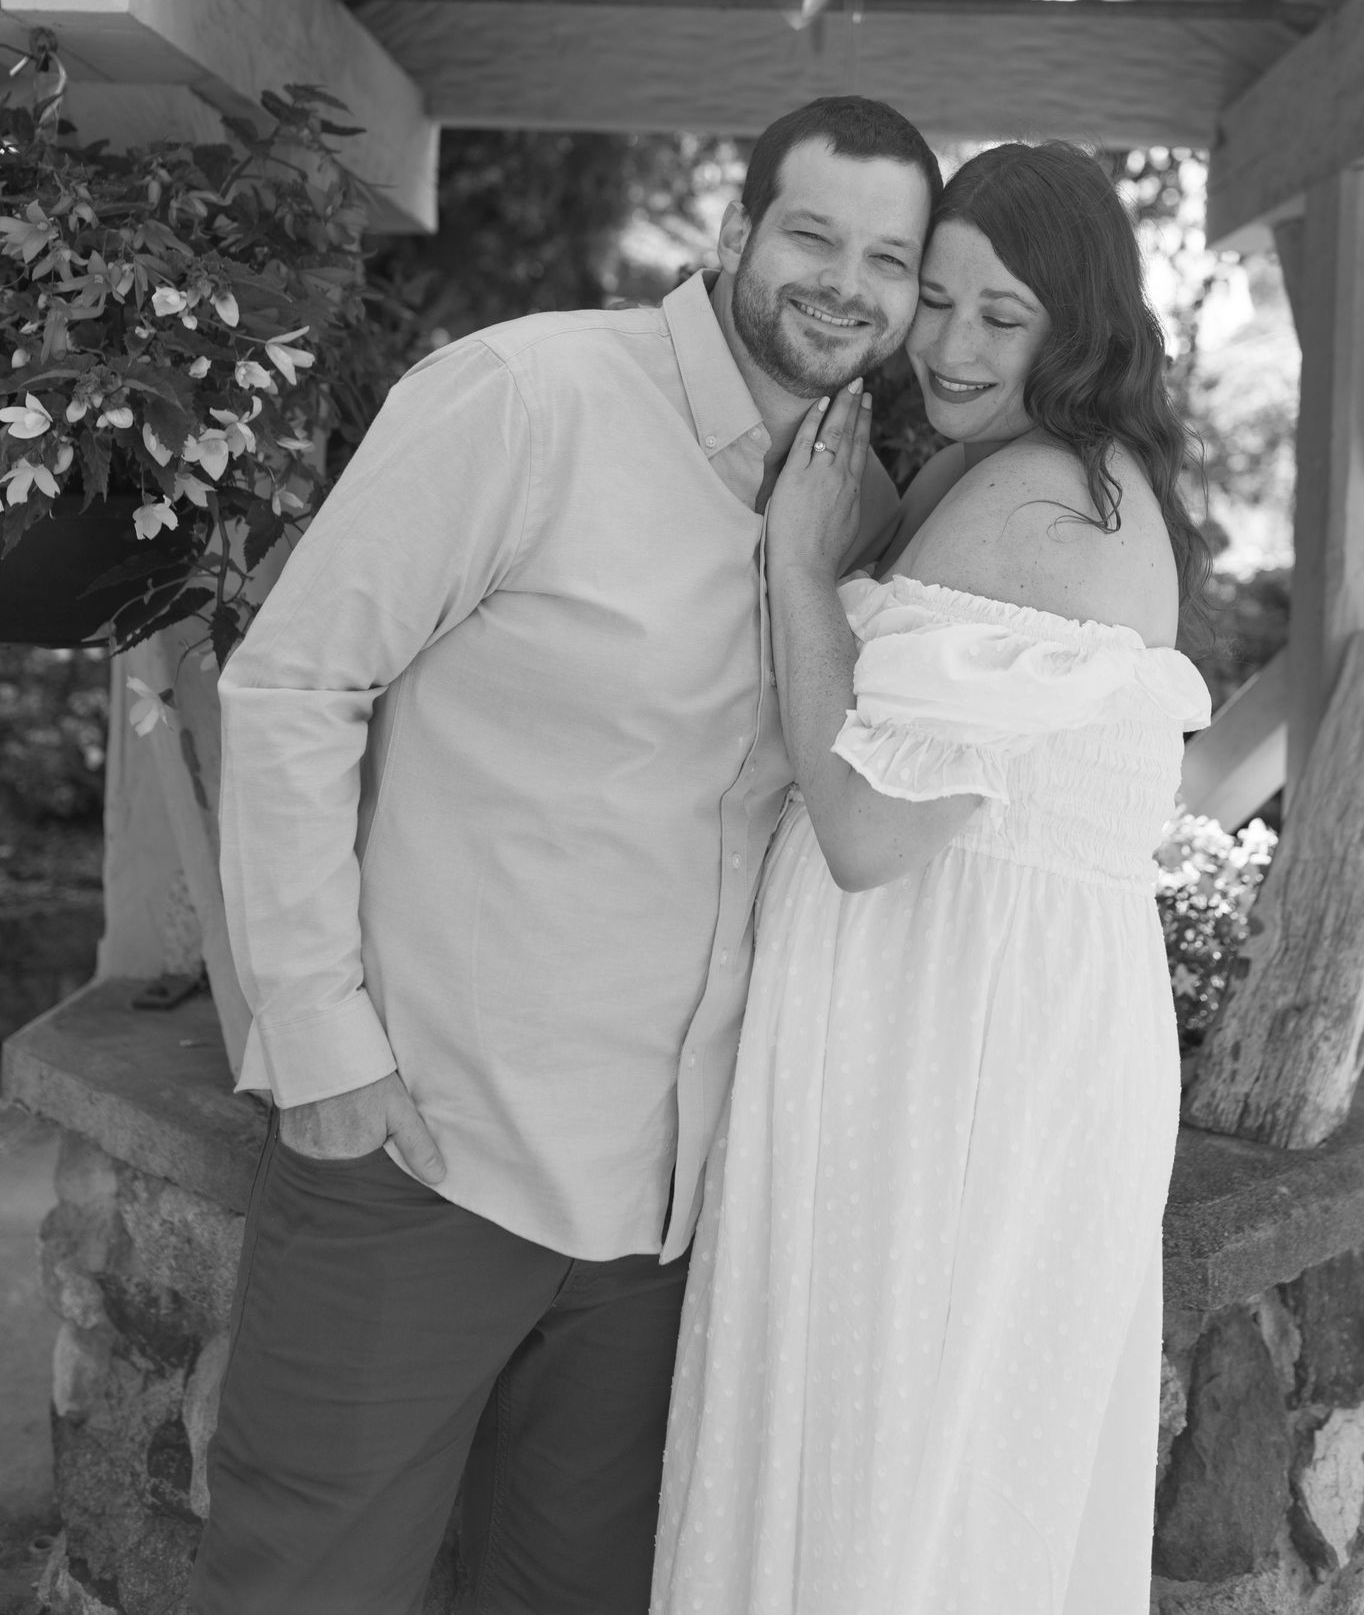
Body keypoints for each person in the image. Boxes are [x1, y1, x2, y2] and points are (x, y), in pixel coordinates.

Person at [189, 96, 943, 1615]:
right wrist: (320, 1044)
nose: (844, 283)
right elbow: (294, 684)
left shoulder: (851, 503)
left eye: (889, 258)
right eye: (811, 233)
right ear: (734, 230)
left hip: (658, 1222)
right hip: (426, 1155)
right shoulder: (525, 397)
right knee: (306, 1591)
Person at [652, 141, 1213, 1615]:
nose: (951, 345)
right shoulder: (998, 467)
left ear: (1079, 328)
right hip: (939, 1019)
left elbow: (864, 829)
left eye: (1002, 315)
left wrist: (798, 565)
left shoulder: (1049, 507)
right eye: (938, 298)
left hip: (960, 1047)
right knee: (891, 1469)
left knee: (894, 1483)